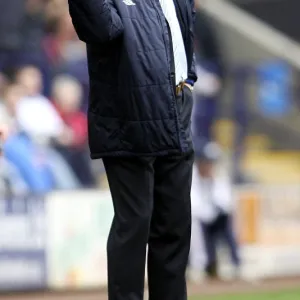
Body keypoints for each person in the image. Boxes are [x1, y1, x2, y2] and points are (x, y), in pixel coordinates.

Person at [68, 0, 197, 299]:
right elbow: (101, 30)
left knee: (174, 227)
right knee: (135, 225)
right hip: (127, 115)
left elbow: (182, 31)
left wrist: (188, 80)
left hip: (176, 109)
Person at [191, 141, 241, 280]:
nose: (208, 166)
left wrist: (218, 212)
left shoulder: (220, 176)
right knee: (196, 227)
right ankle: (200, 266)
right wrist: (207, 214)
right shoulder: (192, 176)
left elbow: (226, 202)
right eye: (206, 162)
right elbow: (194, 205)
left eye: (210, 163)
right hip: (200, 218)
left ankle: (235, 263)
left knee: (228, 225)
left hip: (217, 217)